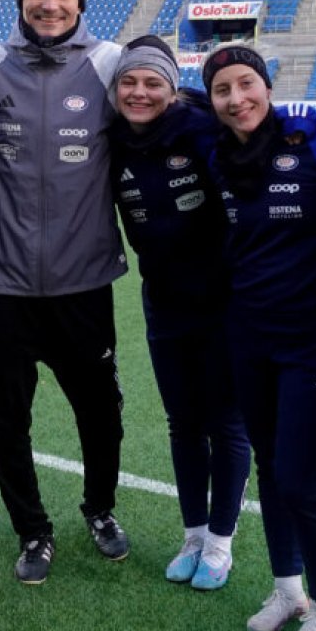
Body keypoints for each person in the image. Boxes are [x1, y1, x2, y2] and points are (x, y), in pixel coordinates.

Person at [0, 0, 128, 584]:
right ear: (21, 0)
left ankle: (100, 508)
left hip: (84, 282)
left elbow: (165, 101)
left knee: (100, 410)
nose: (50, 5)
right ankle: (33, 531)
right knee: (6, 417)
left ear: (80, 2)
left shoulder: (111, 65)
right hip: (2, 283)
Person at [203, 43, 316, 631]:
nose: (237, 99)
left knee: (302, 479)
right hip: (249, 332)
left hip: (315, 338)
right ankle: (287, 588)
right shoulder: (218, 158)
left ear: (268, 85)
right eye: (222, 90)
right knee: (268, 467)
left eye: (247, 84)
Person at [104, 36, 250, 592]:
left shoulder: (202, 131)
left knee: (227, 424)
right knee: (183, 423)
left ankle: (220, 542)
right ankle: (193, 534)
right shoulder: (112, 140)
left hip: (224, 303)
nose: (139, 93)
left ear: (170, 88)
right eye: (129, 82)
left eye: (153, 83)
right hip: (163, 302)